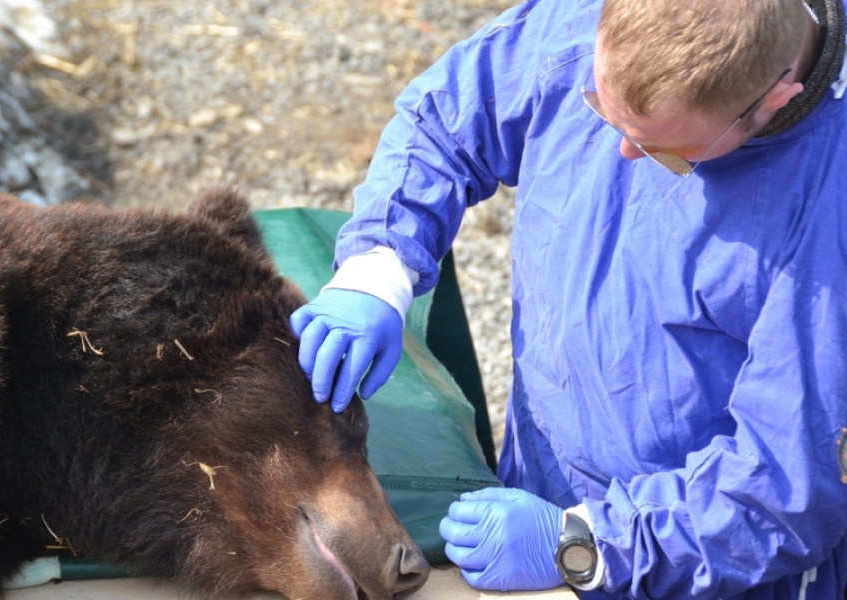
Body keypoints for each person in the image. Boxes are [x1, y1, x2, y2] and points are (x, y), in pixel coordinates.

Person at [289, 0, 847, 597]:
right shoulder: (589, 24)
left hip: (702, 563)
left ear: (776, 99)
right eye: (599, 107)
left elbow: (788, 484)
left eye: (664, 153)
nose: (623, 154)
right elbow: (446, 120)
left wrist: (585, 545)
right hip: (537, 492)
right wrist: (379, 268)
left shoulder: (828, 208)